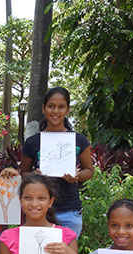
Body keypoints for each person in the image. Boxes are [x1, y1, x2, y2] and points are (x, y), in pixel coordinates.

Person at [21, 86, 93, 237]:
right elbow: (24, 173)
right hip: (40, 211)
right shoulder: (33, 142)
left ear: (67, 110)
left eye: (61, 107)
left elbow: (89, 170)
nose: (55, 111)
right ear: (44, 108)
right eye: (51, 106)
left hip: (69, 211)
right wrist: (35, 175)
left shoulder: (79, 140)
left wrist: (77, 176)